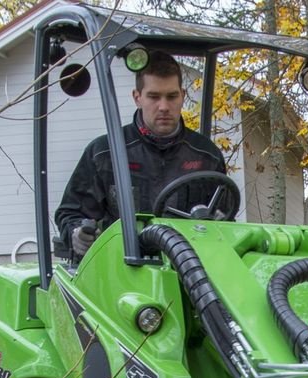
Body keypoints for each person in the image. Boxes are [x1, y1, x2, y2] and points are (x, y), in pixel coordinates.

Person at [55, 50, 228, 257]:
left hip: (189, 269)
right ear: (137, 97)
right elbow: (70, 212)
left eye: (171, 96)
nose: (164, 106)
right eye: (154, 97)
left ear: (182, 96)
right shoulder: (105, 153)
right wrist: (77, 233)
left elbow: (226, 219)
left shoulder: (206, 156)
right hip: (123, 268)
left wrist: (221, 226)